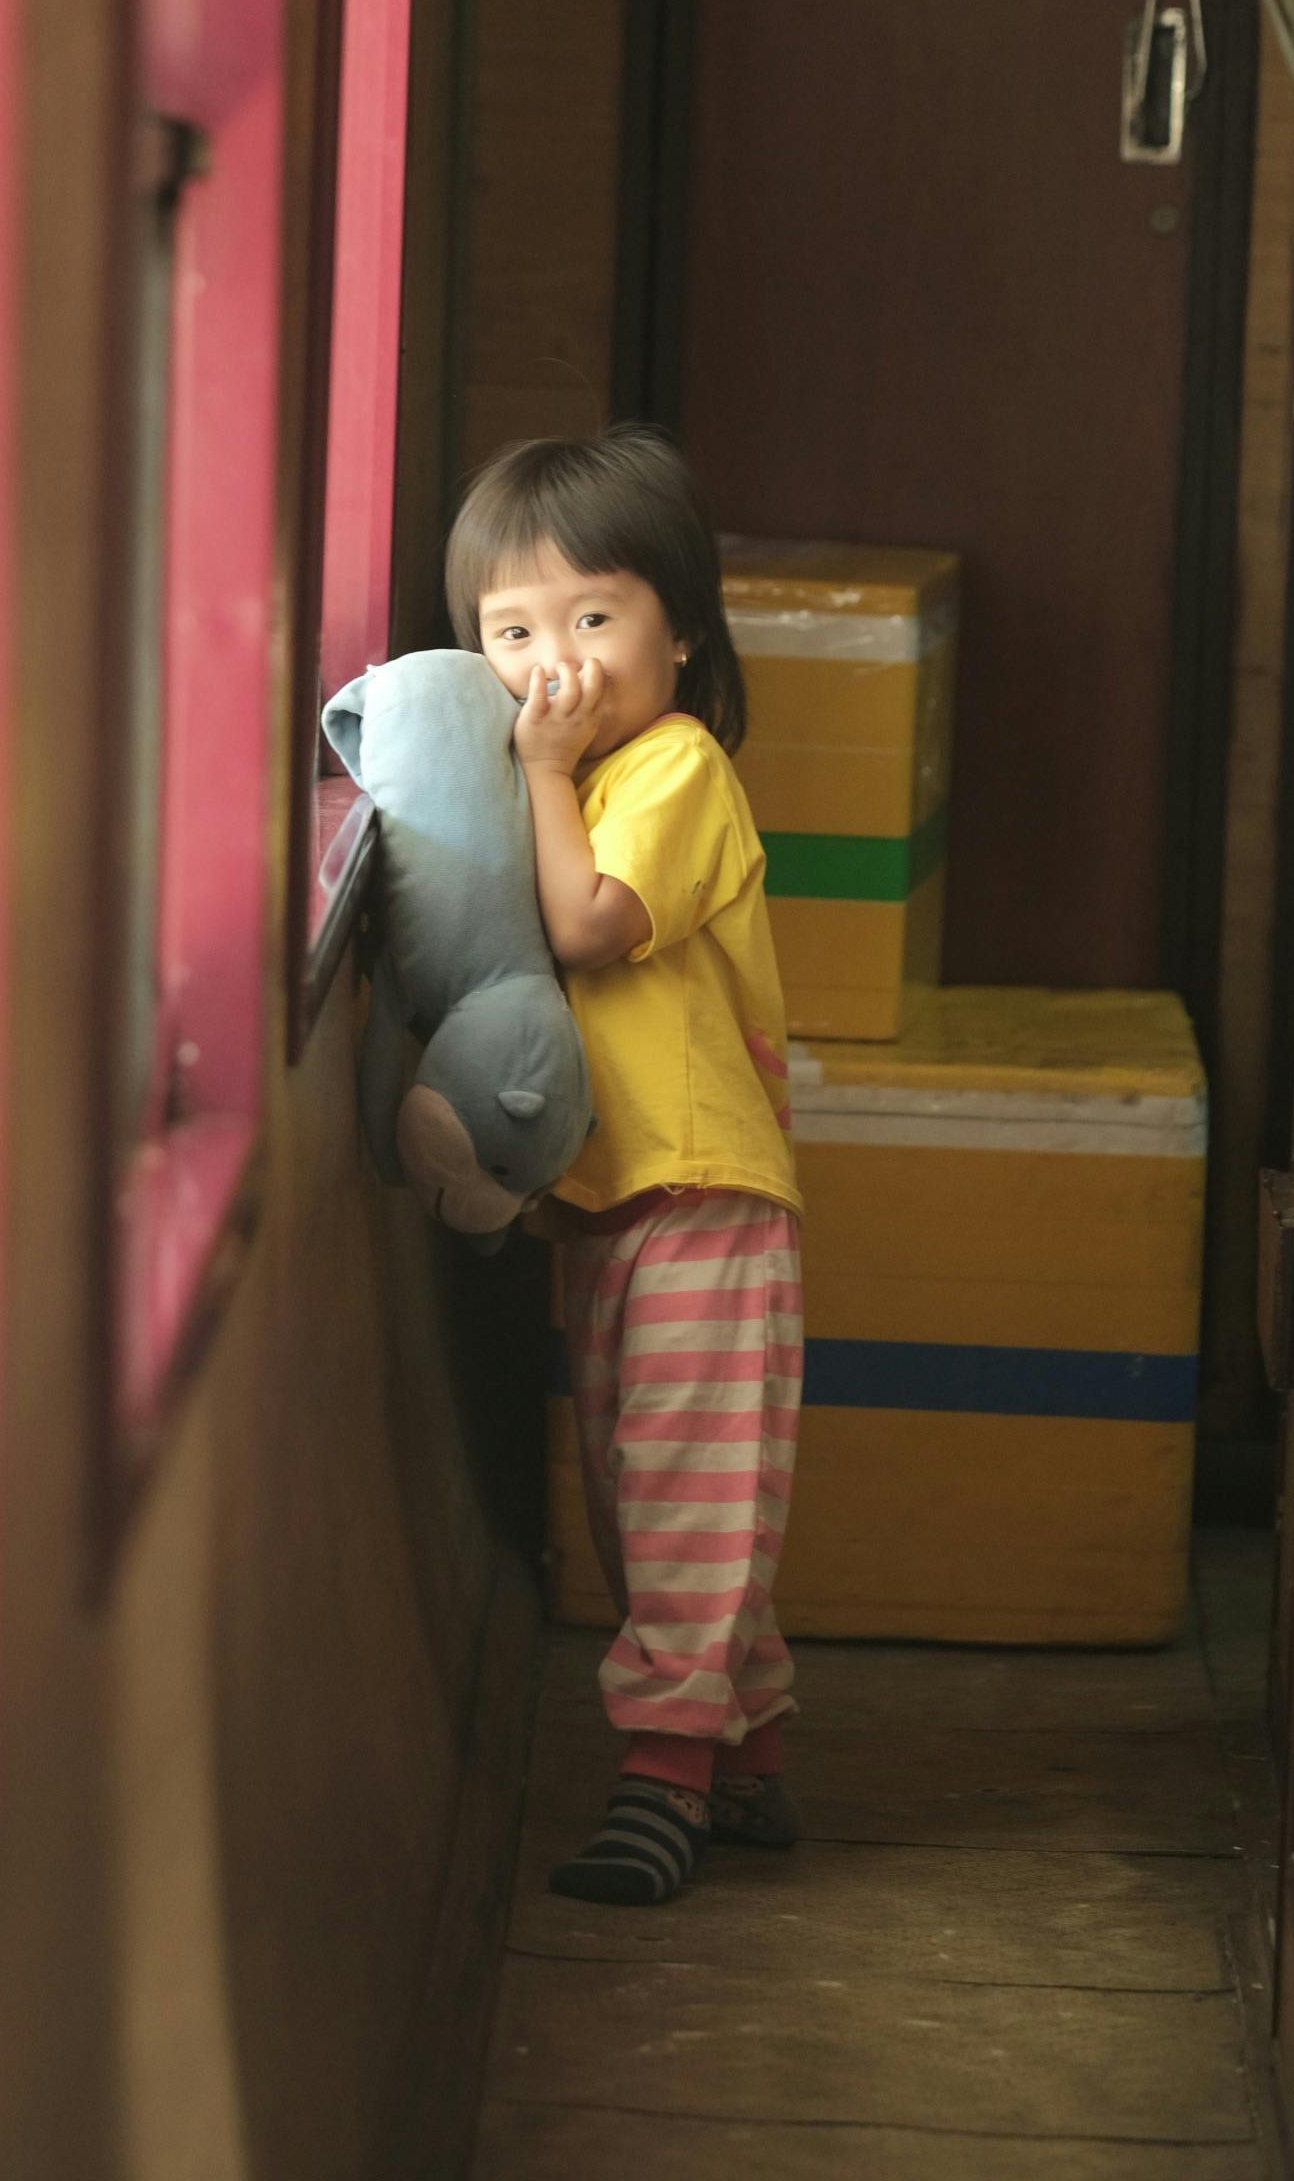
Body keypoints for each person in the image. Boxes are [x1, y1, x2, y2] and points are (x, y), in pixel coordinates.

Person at [445, 424, 804, 1906]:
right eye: (512, 634)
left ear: (681, 631)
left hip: (707, 1199)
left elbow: (587, 923)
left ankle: (663, 1780)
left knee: (680, 1498)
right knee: (650, 1494)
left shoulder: (673, 764)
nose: (555, 667)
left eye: (594, 620)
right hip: (611, 1203)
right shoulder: (575, 768)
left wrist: (532, 769)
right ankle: (754, 1761)